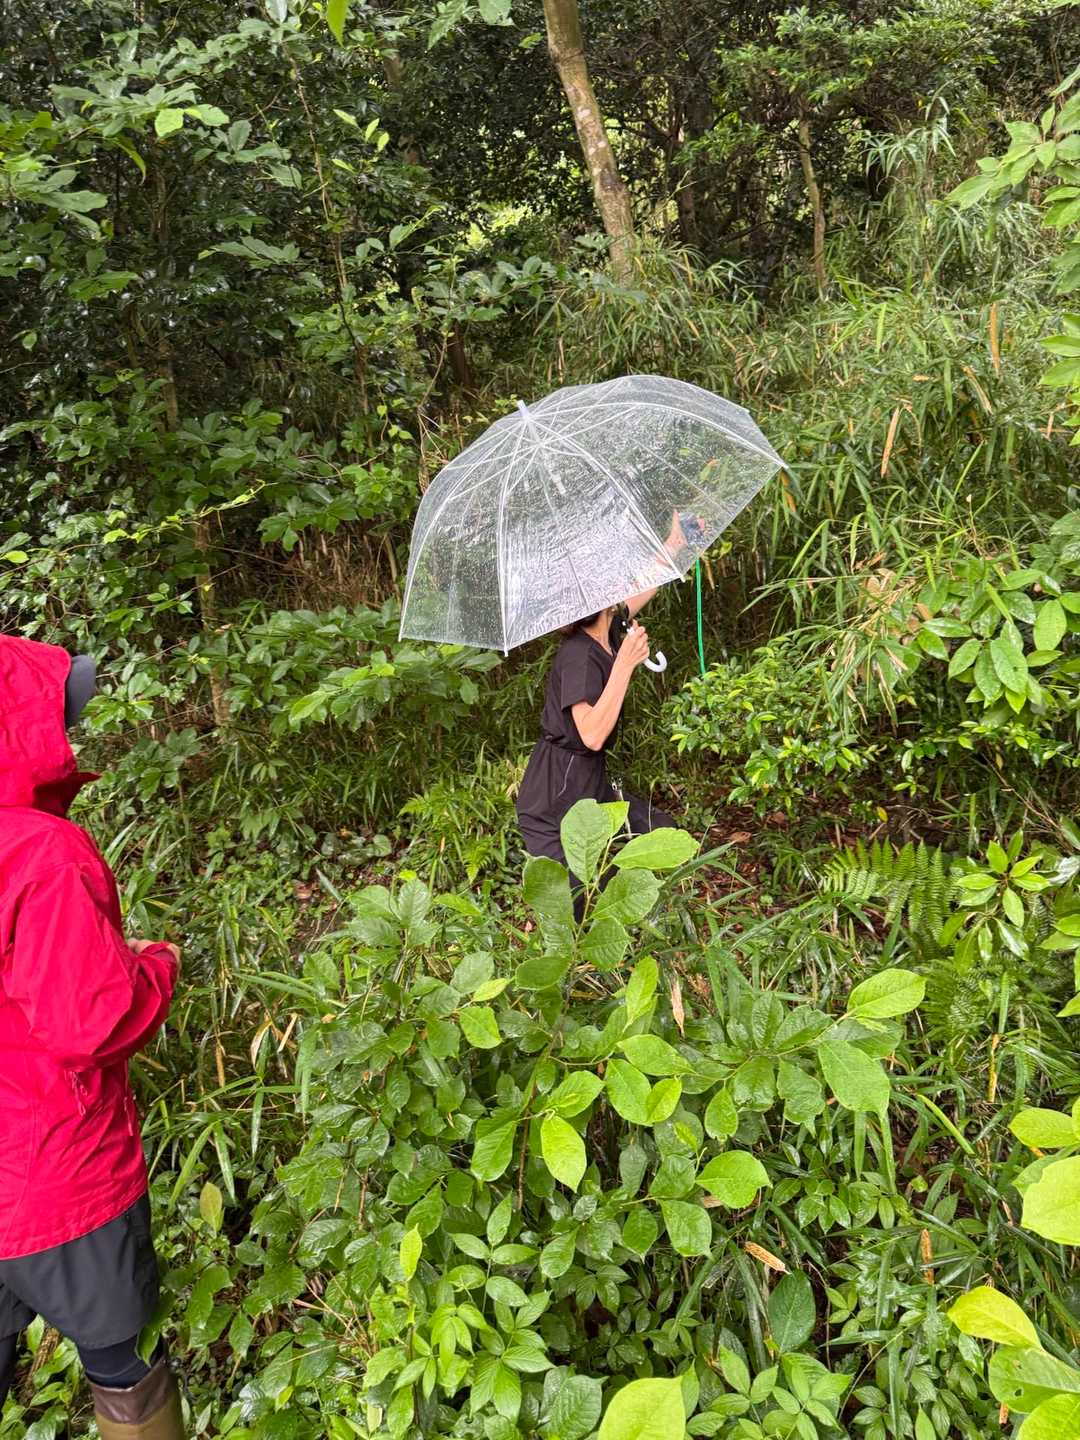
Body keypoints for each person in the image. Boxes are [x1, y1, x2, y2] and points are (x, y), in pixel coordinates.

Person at [0, 637, 183, 1438]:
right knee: (126, 1371)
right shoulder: (40, 852)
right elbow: (92, 1022)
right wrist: (156, 967)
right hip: (58, 1170)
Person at [516, 556, 680, 914]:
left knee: (660, 830)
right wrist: (625, 664)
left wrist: (676, 541)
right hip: (556, 789)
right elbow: (591, 734)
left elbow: (646, 584)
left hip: (589, 777)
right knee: (578, 896)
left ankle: (647, 910)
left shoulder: (608, 625)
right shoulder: (578, 654)